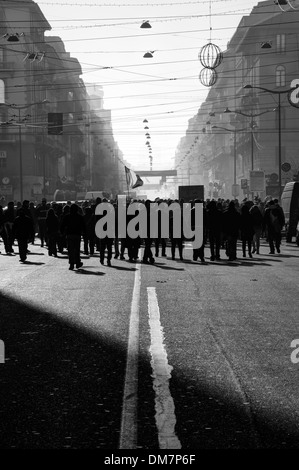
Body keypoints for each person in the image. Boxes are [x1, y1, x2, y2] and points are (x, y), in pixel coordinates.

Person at [60, 203, 86, 270]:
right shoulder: (80, 217)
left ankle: (71, 263)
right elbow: (83, 226)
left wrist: (62, 233)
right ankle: (77, 262)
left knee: (70, 250)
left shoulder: (67, 216)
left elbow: (63, 225)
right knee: (77, 249)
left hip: (69, 234)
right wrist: (84, 233)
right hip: (77, 234)